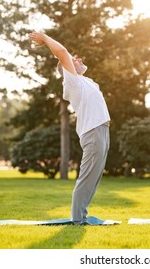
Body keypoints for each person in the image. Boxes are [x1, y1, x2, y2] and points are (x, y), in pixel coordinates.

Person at [29, 32, 111, 225]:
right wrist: (45, 38)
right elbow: (62, 52)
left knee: (94, 177)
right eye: (74, 60)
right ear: (66, 69)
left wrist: (76, 65)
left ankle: (80, 216)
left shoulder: (86, 82)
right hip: (93, 131)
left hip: (102, 130)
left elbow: (67, 57)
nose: (78, 59)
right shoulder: (72, 82)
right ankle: (77, 219)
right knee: (87, 177)